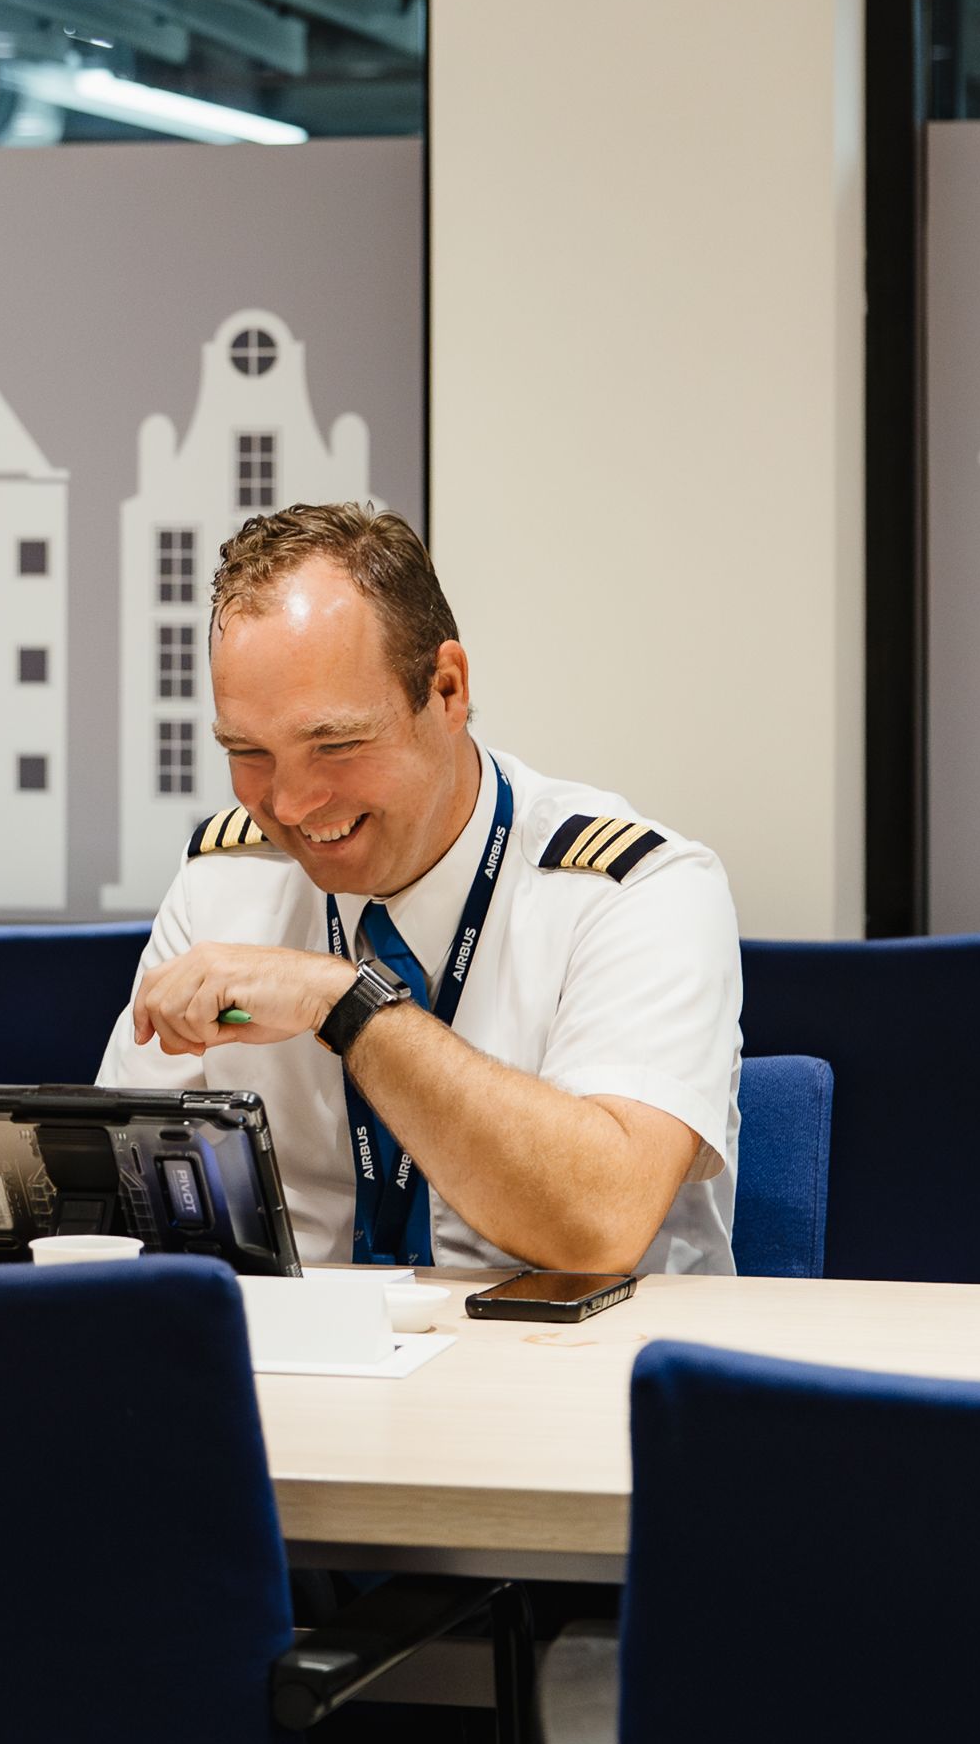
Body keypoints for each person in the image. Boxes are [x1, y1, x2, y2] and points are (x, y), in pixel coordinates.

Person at [98, 502, 742, 1274]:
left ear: (446, 689)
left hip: (567, 1372)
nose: (292, 806)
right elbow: (121, 1204)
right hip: (293, 1377)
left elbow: (600, 1224)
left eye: (335, 744)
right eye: (248, 752)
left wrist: (345, 1004)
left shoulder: (635, 888)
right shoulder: (222, 881)